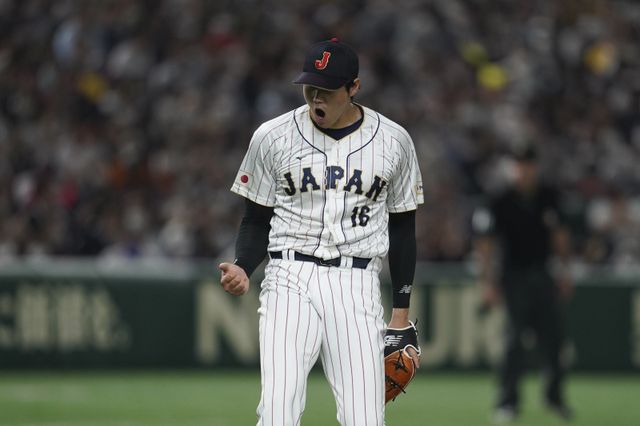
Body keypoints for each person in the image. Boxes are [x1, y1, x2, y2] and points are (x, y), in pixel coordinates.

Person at [218, 38, 423, 425]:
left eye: (327, 90)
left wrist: (400, 314)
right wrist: (244, 265)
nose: (316, 98)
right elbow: (256, 219)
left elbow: (403, 229)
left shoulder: (394, 141)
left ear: (354, 87)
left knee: (365, 418)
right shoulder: (272, 136)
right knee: (278, 411)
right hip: (288, 277)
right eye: (310, 88)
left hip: (356, 282)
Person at [473, 145, 574, 424]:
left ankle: (554, 397)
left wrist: (566, 272)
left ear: (535, 166)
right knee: (514, 341)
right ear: (511, 167)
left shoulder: (549, 196)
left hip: (543, 274)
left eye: (527, 164)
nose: (523, 170)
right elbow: (485, 244)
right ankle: (508, 402)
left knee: (554, 339)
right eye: (518, 164)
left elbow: (561, 237)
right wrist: (487, 282)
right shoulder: (499, 199)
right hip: (512, 276)